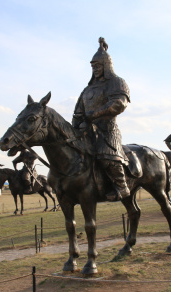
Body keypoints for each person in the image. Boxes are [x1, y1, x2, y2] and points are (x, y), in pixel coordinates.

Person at [72, 37, 130, 201]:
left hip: (107, 130)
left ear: (106, 65)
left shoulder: (117, 82)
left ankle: (122, 186)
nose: (95, 69)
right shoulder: (87, 89)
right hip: (87, 131)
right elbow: (77, 114)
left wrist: (95, 114)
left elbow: (119, 104)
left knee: (106, 155)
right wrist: (74, 130)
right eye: (93, 66)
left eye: (98, 66)